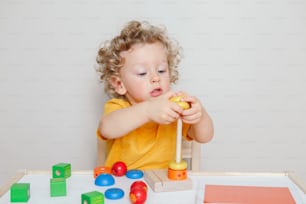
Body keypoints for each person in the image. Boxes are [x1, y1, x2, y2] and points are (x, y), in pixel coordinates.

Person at [95, 20, 214, 170]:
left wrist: (200, 115)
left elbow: (204, 137)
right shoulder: (118, 108)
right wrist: (148, 111)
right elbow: (107, 128)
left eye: (162, 70)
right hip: (124, 185)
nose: (155, 78)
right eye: (142, 73)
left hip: (164, 182)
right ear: (120, 84)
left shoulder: (174, 109)